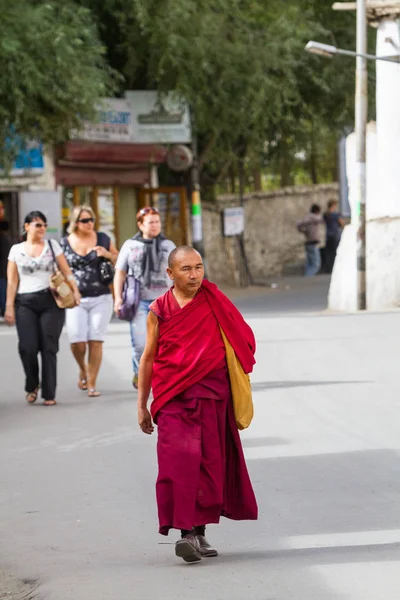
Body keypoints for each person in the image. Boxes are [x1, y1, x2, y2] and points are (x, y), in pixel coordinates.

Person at [137, 246, 258, 563]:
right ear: (171, 273)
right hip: (173, 397)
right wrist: (142, 404)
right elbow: (148, 357)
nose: (194, 275)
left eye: (199, 267)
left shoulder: (214, 301)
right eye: (187, 269)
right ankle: (185, 532)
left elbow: (243, 338)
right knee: (178, 463)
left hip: (212, 394)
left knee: (208, 463)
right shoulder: (159, 310)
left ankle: (199, 532)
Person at [5, 210, 81, 405]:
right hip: (25, 302)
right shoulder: (16, 250)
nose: (42, 228)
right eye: (38, 224)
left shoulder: (51, 245)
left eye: (45, 225)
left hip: (51, 301)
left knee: (49, 346)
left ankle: (49, 393)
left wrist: (75, 290)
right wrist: (9, 307)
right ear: (27, 226)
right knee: (27, 347)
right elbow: (12, 282)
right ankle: (32, 385)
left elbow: (67, 271)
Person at [114, 207, 175, 389]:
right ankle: (139, 373)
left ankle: (162, 377)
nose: (155, 225)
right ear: (141, 225)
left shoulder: (168, 245)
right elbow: (120, 273)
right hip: (139, 301)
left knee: (165, 344)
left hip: (164, 301)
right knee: (140, 344)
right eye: (151, 222)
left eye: (157, 221)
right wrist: (118, 298)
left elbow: (179, 272)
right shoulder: (130, 246)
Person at [60, 206, 118, 397]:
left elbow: (119, 260)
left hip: (101, 296)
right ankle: (83, 369)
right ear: (75, 223)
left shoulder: (103, 239)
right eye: (85, 220)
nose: (89, 223)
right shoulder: (64, 243)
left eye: (91, 219)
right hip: (75, 298)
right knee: (77, 342)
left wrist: (107, 254)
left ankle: (92, 382)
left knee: (96, 341)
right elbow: (59, 269)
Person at [296, 204, 324, 277]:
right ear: (317, 211)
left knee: (309, 263)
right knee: (316, 264)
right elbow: (321, 219)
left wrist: (303, 231)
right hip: (313, 242)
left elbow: (298, 224)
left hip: (308, 242)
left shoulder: (306, 218)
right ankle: (308, 277)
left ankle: (307, 276)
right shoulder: (314, 217)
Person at [323, 200, 344, 274]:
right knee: (335, 253)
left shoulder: (325, 214)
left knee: (329, 254)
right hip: (335, 235)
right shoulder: (336, 214)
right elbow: (341, 223)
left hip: (328, 235)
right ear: (333, 205)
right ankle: (335, 269)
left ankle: (329, 269)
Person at [0, 221, 12, 317]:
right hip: (5, 269)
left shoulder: (3, 239)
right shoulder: (9, 239)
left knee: (3, 290)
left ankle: (4, 309)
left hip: (2, 270)